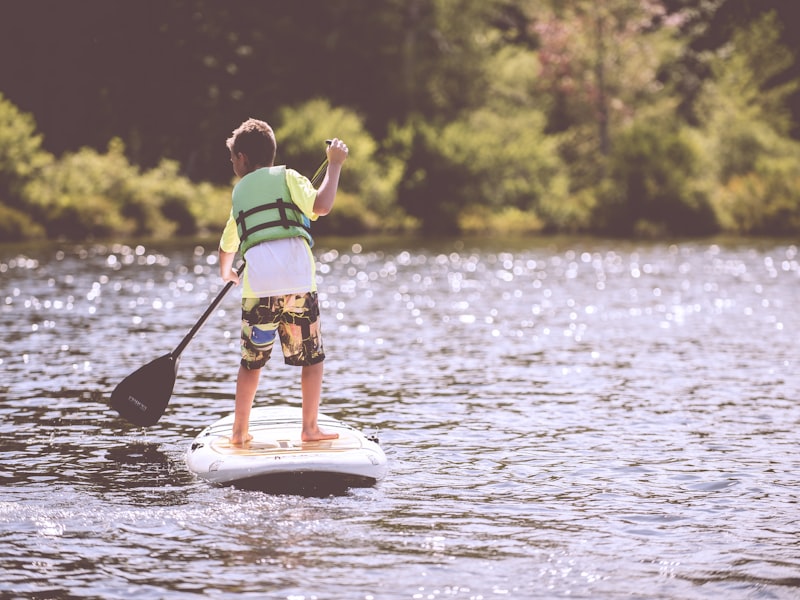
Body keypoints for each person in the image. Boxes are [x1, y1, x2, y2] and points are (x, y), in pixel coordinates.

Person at [218, 118, 348, 445]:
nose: (232, 164)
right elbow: (322, 205)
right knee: (312, 359)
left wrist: (227, 272)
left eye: (232, 158)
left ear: (243, 158)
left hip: (259, 290)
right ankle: (310, 429)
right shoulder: (289, 177)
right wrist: (334, 165)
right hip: (298, 286)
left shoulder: (239, 194)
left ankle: (239, 432)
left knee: (251, 364)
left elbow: (227, 246)